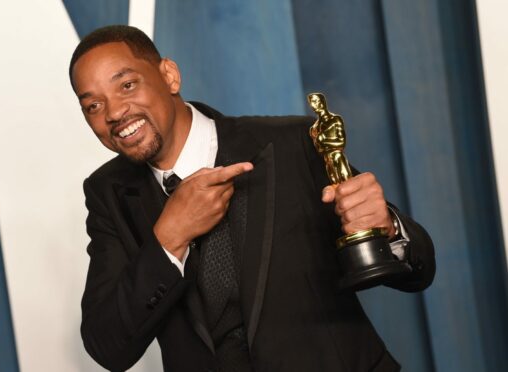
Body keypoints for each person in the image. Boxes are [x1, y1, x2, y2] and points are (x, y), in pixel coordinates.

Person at [70, 25, 435, 372]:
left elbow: (419, 271)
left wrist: (387, 227)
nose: (115, 112)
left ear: (169, 76)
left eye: (128, 85)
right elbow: (108, 347)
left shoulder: (292, 143)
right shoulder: (108, 194)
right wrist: (169, 238)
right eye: (93, 106)